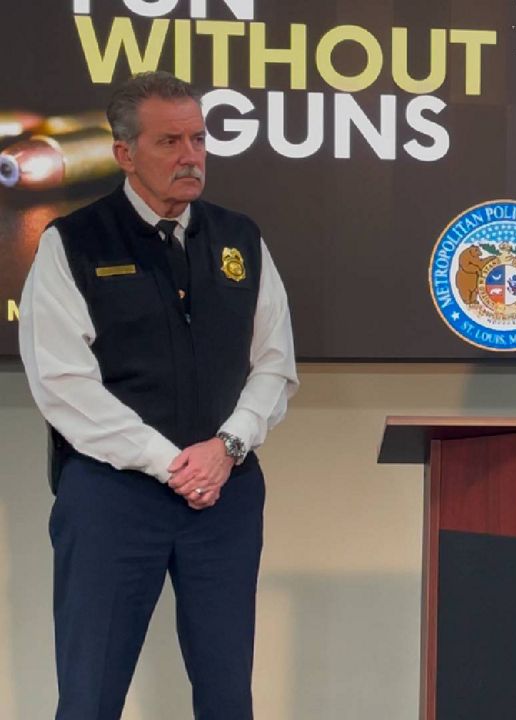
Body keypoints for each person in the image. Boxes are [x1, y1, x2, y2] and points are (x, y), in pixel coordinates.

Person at [18, 71, 298, 720]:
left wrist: (226, 447)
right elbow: (63, 384)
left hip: (224, 496)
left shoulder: (240, 238)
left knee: (228, 696)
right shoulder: (73, 243)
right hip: (112, 497)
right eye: (169, 141)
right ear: (123, 152)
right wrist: (169, 462)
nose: (191, 156)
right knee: (91, 695)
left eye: (199, 138)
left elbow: (274, 363)